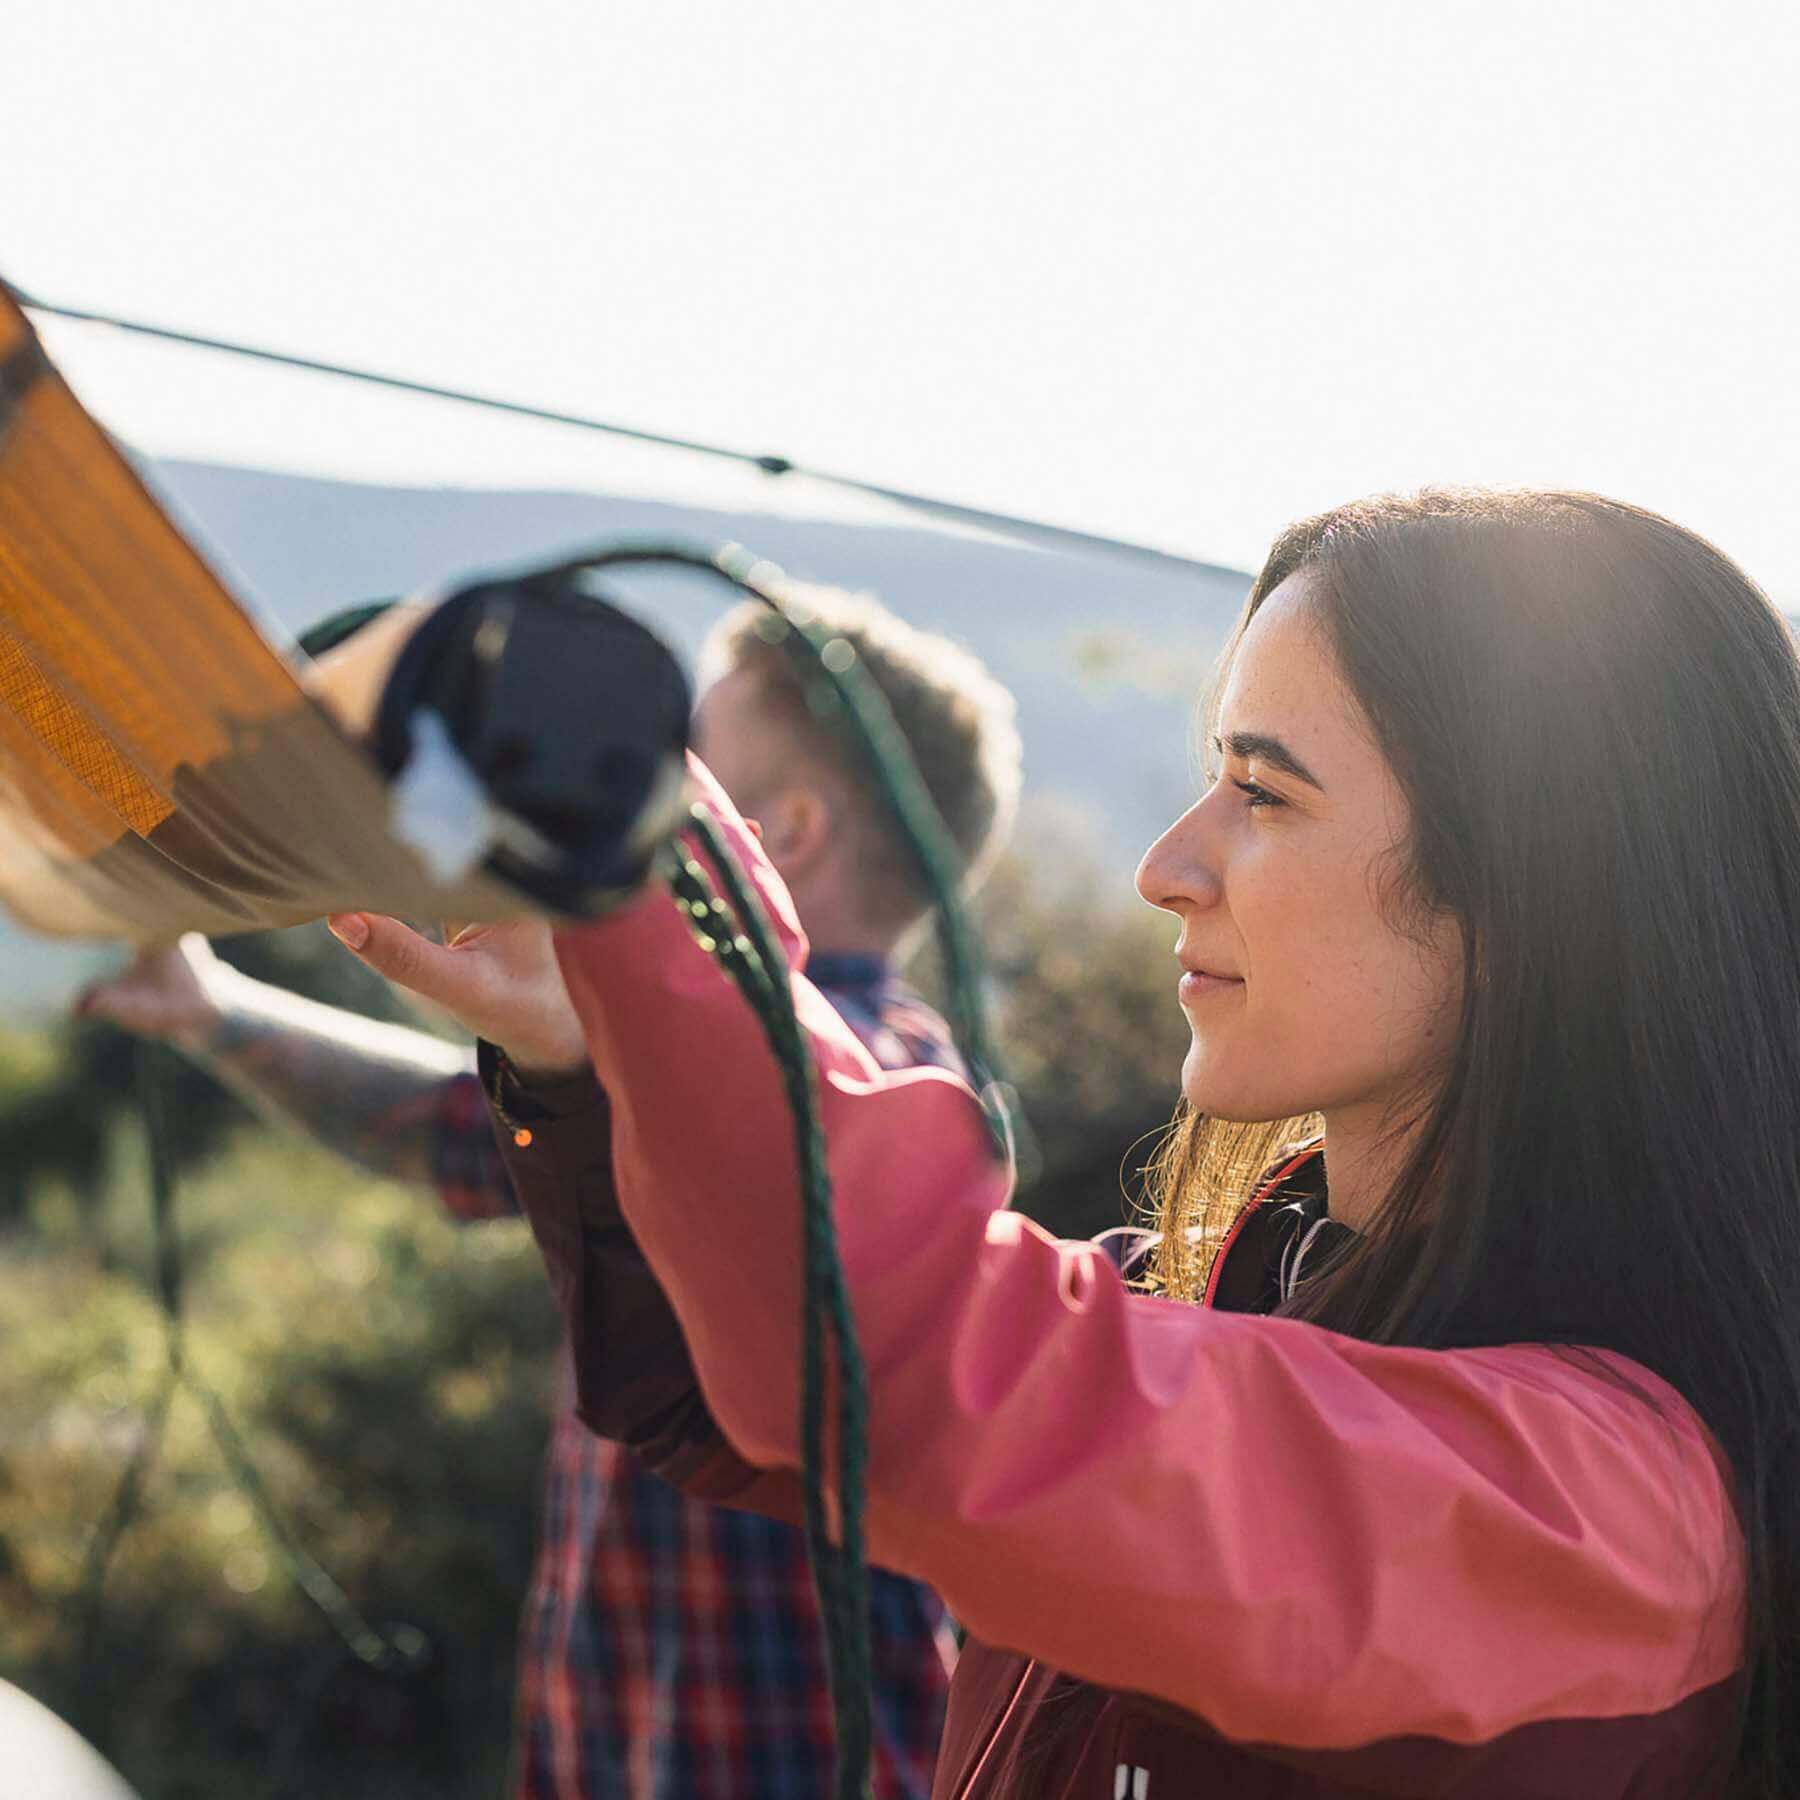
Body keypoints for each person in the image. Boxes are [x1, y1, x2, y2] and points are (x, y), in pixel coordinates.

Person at [331, 488, 1800, 1798]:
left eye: (1265, 792)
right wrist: (582, 1048)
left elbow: (902, 1358)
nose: (1170, 866)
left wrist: (644, 853)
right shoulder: (1216, 1296)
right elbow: (721, 1402)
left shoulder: (1602, 1515)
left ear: (1534, 892)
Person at [81, 585, 1023, 1800]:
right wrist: (216, 1012)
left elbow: (774, 1125)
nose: (632, 781)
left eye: (687, 764)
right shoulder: (650, 1076)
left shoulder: (898, 1082)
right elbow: (462, 1133)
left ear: (780, 835)